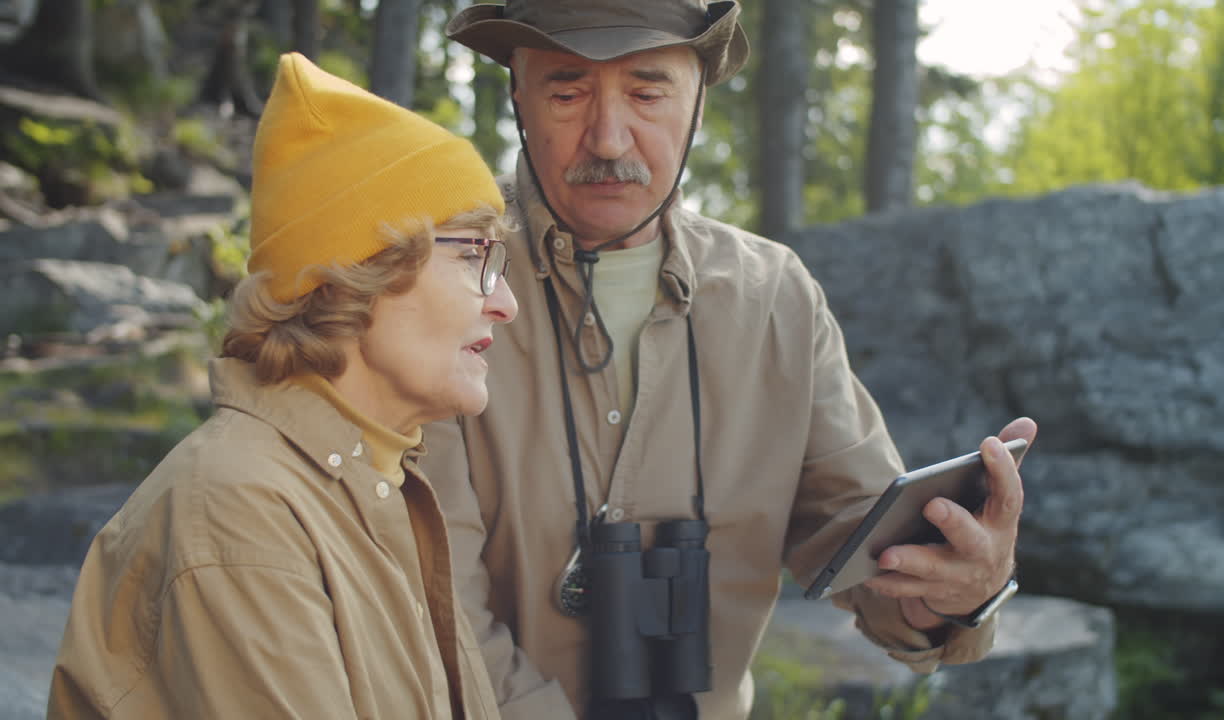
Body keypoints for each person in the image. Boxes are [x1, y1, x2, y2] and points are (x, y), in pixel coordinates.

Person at [422, 1, 1038, 719]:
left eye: (647, 93)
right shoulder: (435, 279)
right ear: (519, 99)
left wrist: (954, 589)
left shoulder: (775, 297)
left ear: (698, 102)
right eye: (567, 92)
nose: (609, 137)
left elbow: (864, 543)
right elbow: (428, 589)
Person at [46, 52, 517, 719]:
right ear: (357, 273)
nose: (505, 305)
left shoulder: (376, 482)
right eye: (472, 255)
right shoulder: (240, 510)